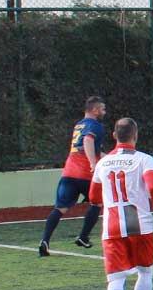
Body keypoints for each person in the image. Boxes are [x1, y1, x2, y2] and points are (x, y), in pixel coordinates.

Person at [89, 118, 153, 290]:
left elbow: (93, 197)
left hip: (112, 227)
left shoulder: (103, 163)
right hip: (140, 225)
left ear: (114, 135)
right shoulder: (144, 159)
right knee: (145, 272)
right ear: (136, 135)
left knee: (115, 279)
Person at [39, 96, 107, 256]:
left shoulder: (79, 125)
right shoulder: (95, 126)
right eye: (103, 109)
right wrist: (93, 163)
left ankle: (44, 241)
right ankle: (83, 237)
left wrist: (113, 157)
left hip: (69, 173)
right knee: (97, 203)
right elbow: (88, 142)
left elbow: (92, 149)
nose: (105, 112)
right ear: (95, 110)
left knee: (60, 208)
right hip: (86, 175)